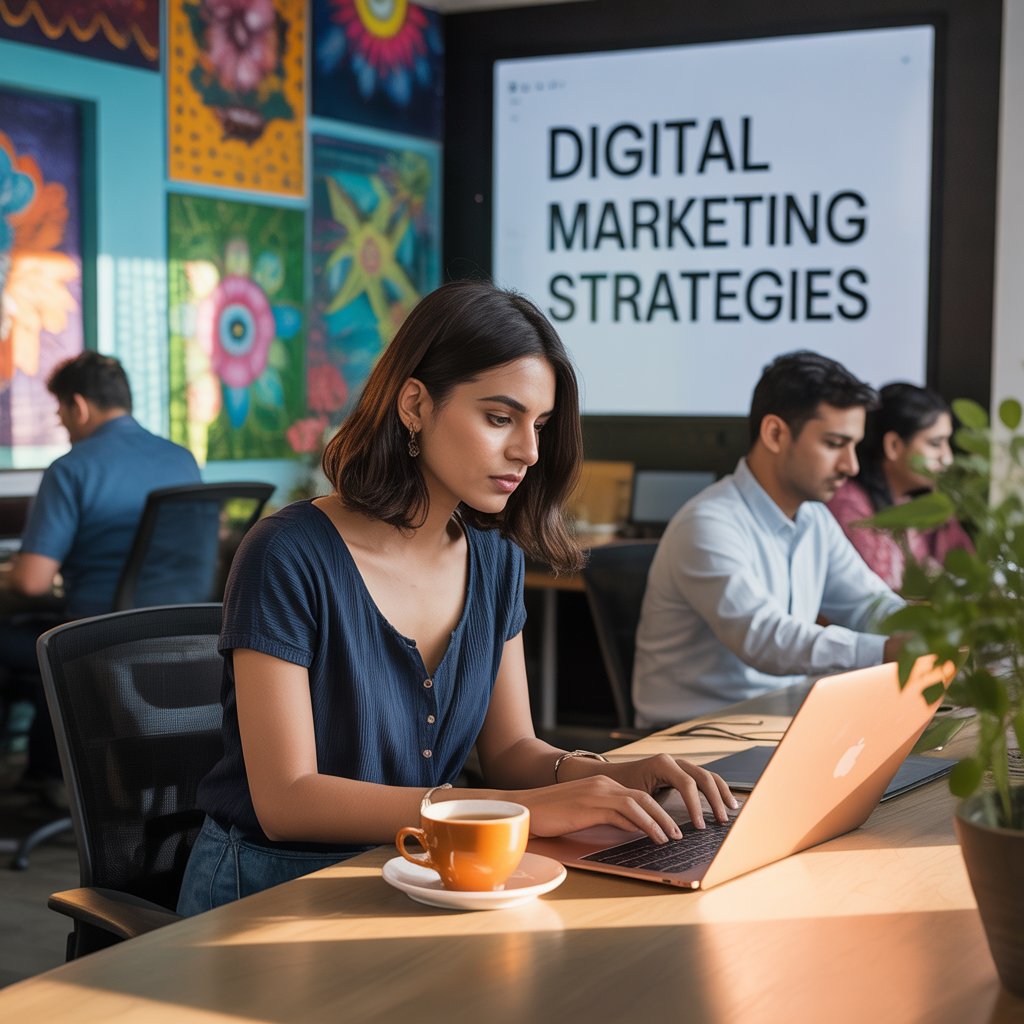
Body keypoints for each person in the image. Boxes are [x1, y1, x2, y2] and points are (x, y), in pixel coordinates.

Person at [176, 280, 737, 914]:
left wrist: (608, 778)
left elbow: (512, 752)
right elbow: (287, 800)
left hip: (428, 872)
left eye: (539, 425)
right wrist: (523, 809)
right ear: (414, 404)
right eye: (500, 418)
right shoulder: (287, 552)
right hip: (273, 891)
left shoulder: (495, 558)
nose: (527, 450)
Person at [632, 350, 906, 728]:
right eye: (833, 444)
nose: (851, 466)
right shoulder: (707, 523)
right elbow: (765, 639)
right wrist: (888, 650)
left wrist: (940, 629)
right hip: (695, 743)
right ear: (775, 434)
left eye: (853, 446)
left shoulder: (815, 519)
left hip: (782, 726)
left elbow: (869, 606)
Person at [1, 351, 201, 795]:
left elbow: (31, 581)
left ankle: (44, 780)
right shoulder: (181, 459)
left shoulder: (72, 468)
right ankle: (49, 774)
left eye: (60, 414)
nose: (64, 426)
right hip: (185, 637)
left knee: (23, 642)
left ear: (79, 405)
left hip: (98, 636)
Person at [827, 382, 973, 590]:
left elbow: (971, 577)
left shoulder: (932, 506)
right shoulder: (848, 504)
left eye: (947, 442)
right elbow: (875, 593)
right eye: (935, 444)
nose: (947, 458)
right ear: (893, 445)